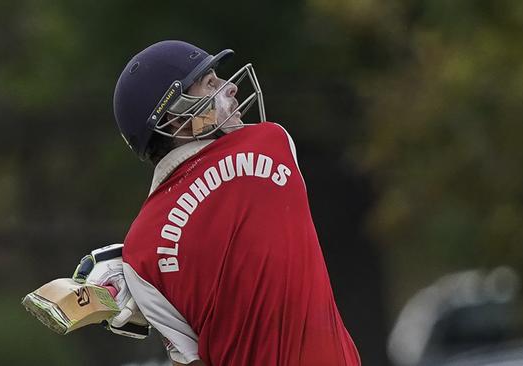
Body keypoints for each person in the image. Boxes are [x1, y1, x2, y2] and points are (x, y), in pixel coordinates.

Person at [82, 40, 360, 366]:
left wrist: (146, 292)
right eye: (210, 83)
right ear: (174, 117)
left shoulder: (141, 252)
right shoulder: (270, 143)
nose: (229, 89)